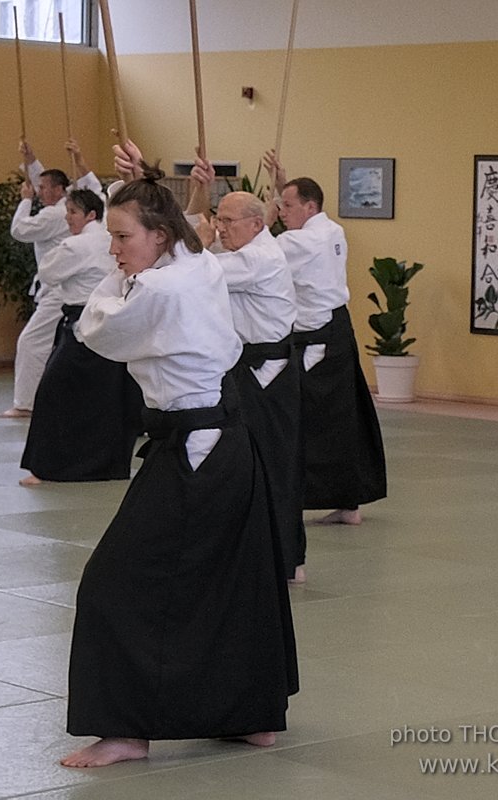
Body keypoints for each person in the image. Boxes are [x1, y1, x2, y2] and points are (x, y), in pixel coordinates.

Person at [62, 152, 297, 769]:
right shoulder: (197, 265)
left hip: (197, 449)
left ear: (158, 237)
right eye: (111, 236)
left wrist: (121, 270)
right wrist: (140, 179)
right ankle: (252, 715)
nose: (113, 249)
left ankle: (127, 730)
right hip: (224, 440)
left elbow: (97, 330)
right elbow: (188, 233)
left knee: (113, 581)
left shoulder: (160, 287)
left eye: (122, 237)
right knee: (230, 576)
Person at [189, 158, 305, 582]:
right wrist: (198, 193)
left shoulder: (259, 258)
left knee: (271, 462)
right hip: (246, 371)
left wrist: (201, 241)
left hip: (266, 375)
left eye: (229, 221)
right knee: (241, 463)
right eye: (219, 220)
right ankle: (255, 551)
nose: (221, 228)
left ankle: (283, 556)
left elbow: (200, 273)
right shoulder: (245, 249)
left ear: (257, 223)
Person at [263, 150, 387, 526]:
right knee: (342, 419)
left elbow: (260, 255)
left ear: (310, 206)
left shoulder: (301, 243)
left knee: (309, 420)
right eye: (281, 205)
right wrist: (281, 183)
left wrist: (264, 221)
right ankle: (349, 502)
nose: (283, 210)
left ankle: (315, 496)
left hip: (317, 338)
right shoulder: (332, 230)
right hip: (336, 331)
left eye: (287, 205)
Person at [18, 188, 141, 485]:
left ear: (91, 215)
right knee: (109, 397)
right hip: (115, 324)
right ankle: (109, 464)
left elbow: (47, 273)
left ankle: (46, 467)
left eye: (73, 211)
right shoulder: (109, 241)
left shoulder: (76, 245)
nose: (67, 217)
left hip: (84, 323)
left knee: (53, 392)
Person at [0, 138, 104, 419]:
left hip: (62, 290)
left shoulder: (55, 215)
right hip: (65, 288)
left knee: (32, 342)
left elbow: (20, 230)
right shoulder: (74, 206)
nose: (39, 191)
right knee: (57, 346)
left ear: (60, 191)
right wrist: (32, 160)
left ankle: (26, 403)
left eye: (45, 189)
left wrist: (25, 201)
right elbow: (88, 187)